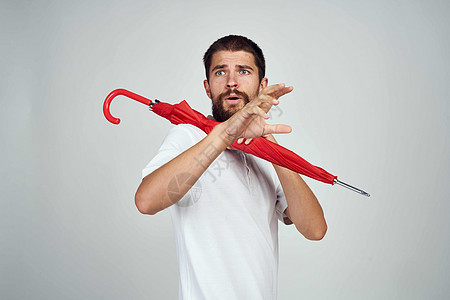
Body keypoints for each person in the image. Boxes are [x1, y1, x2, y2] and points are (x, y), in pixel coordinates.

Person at [135, 35, 327, 300]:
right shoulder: (188, 136)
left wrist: (269, 144)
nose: (231, 81)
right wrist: (225, 134)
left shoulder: (267, 154)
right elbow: (146, 201)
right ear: (207, 87)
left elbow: (314, 229)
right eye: (220, 72)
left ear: (262, 86)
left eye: (243, 71)